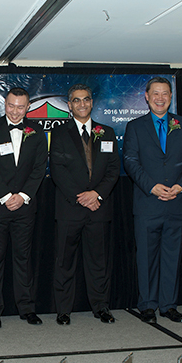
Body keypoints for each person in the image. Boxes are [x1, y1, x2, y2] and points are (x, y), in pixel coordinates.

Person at [123, 77, 182, 323]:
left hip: (177, 203)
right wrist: (152, 187)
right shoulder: (135, 126)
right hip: (147, 204)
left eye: (165, 93)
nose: (160, 98)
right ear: (146, 97)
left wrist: (181, 186)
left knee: (172, 257)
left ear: (170, 96)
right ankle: (147, 305)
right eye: (155, 93)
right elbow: (130, 161)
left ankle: (168, 306)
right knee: (146, 258)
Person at [49, 84, 120, 325]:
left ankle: (101, 307)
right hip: (70, 208)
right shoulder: (60, 133)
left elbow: (113, 169)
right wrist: (82, 197)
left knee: (98, 262)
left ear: (92, 102)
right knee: (64, 262)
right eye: (77, 100)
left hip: (99, 208)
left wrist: (96, 195)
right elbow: (58, 170)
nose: (82, 104)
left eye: (86, 99)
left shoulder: (107, 132)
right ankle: (63, 310)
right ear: (69, 105)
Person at [0, 87, 48, 328]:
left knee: (23, 258)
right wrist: (7, 196)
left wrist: (23, 196)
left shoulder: (36, 132)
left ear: (28, 107)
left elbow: (39, 167)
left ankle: (26, 308)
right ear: (4, 104)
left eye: (20, 107)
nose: (15, 111)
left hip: (25, 207)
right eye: (11, 106)